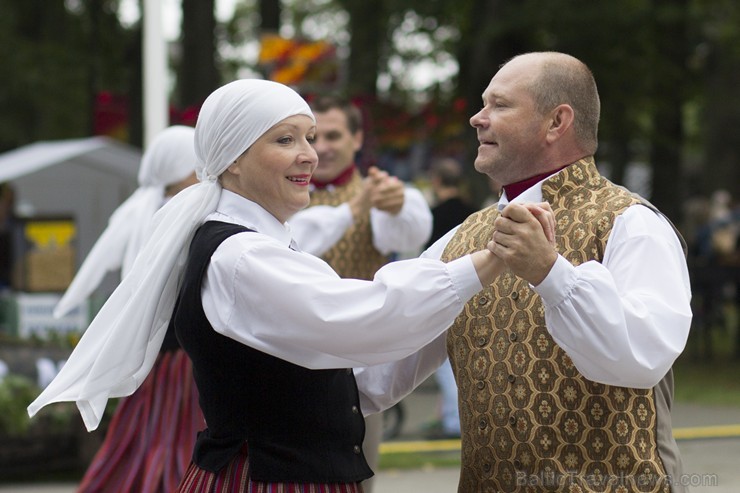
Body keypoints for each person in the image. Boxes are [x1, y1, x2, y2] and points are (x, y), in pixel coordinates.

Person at [27, 79, 554, 492]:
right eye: (285, 140)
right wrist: (485, 262)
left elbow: (354, 374)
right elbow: (362, 317)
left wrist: (452, 297)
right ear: (233, 157)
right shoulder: (240, 255)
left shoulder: (262, 242)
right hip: (269, 480)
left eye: (308, 137)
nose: (309, 155)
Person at [356, 51, 693, 492]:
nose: (478, 118)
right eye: (483, 104)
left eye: (500, 105)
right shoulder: (461, 238)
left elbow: (641, 358)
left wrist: (552, 273)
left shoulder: (631, 223)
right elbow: (384, 363)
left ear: (557, 122)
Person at [288, 94, 433, 490]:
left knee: (356, 481)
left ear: (357, 138)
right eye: (313, 137)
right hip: (288, 362)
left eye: (333, 135)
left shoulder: (378, 192)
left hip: (356, 369)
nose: (322, 148)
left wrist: (397, 204)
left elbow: (410, 229)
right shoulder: (281, 193)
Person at [53, 125, 202, 493]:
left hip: (158, 357)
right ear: (176, 170)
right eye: (195, 166)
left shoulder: (138, 211)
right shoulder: (174, 214)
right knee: (174, 441)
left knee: (144, 439)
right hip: (177, 359)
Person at [423, 157, 476, 439]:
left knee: (444, 363)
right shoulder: (473, 214)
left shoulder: (434, 214)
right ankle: (451, 416)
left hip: (442, 286)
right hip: (472, 287)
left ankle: (453, 421)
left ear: (436, 181)